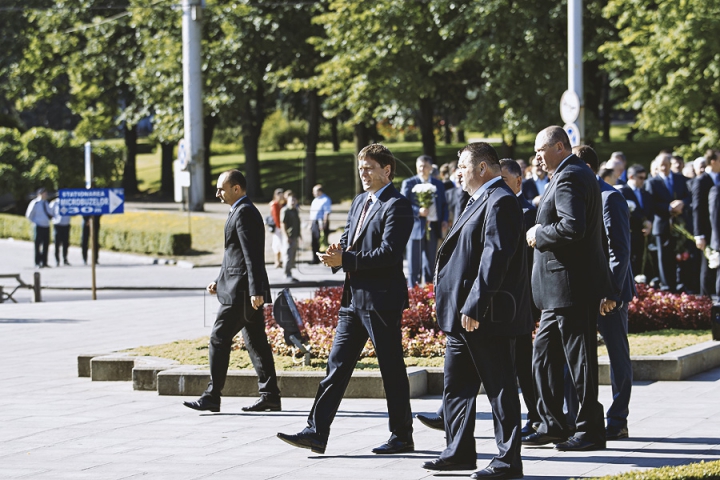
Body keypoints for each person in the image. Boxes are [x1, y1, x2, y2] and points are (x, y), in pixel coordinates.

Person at [277, 144, 414, 455]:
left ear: (386, 170)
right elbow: (348, 237)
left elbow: (389, 253)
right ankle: (316, 432)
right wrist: (334, 252)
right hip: (353, 299)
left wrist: (347, 259)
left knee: (391, 368)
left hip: (381, 300)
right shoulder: (358, 202)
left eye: (369, 168)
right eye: (360, 168)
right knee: (336, 366)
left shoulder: (398, 205)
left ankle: (402, 436)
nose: (363, 174)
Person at [422, 144, 530, 479]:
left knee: (500, 388)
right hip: (461, 317)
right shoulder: (478, 198)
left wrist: (475, 304)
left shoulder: (501, 201)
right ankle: (458, 452)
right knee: (456, 386)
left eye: (462, 166)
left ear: (483, 168)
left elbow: (495, 257)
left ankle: (508, 461)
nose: (457, 171)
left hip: (486, 315)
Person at [523, 126, 614, 452]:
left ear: (560, 147)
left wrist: (539, 233)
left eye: (540, 150)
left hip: (570, 287)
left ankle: (589, 430)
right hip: (559, 290)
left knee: (580, 361)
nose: (536, 157)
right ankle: (552, 425)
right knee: (543, 356)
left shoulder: (569, 176)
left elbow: (572, 227)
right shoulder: (573, 173)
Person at [183, 169, 281, 414]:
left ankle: (212, 396)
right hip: (239, 288)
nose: (217, 193)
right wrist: (219, 279)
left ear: (236, 188)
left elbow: (252, 254)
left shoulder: (245, 211)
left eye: (221, 188)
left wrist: (256, 290)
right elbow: (233, 254)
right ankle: (270, 396)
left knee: (218, 338)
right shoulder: (239, 210)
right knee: (256, 342)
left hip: (243, 292)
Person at [575, 145, 635, 441]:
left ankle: (618, 419)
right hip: (585, 293)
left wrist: (611, 292)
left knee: (617, 356)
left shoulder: (609, 197)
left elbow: (619, 250)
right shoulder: (579, 197)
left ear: (585, 166)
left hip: (610, 293)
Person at [644, 153, 691, 292]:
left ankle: (682, 285)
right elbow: (651, 204)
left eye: (666, 165)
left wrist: (682, 204)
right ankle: (667, 288)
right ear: (657, 167)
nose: (664, 168)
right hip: (662, 225)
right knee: (664, 258)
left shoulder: (680, 179)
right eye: (661, 165)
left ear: (670, 165)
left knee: (682, 255)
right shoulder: (652, 182)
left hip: (680, 224)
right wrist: (669, 207)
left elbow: (689, 196)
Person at [401, 154, 448, 286]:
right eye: (420, 166)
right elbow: (403, 206)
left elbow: (444, 205)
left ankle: (428, 293)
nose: (422, 169)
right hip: (415, 228)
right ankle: (413, 294)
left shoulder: (438, 184)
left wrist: (444, 220)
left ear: (430, 168)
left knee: (430, 264)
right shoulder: (409, 183)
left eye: (425, 166)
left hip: (433, 227)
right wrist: (418, 211)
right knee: (414, 264)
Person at [618, 165, 654, 278]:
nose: (643, 181)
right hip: (630, 232)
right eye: (640, 178)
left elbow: (650, 210)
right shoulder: (623, 192)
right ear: (631, 176)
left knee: (641, 260)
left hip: (642, 233)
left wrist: (649, 223)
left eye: (644, 177)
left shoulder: (645, 193)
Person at [693, 150, 720, 297]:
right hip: (706, 229)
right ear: (713, 161)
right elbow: (697, 208)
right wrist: (699, 234)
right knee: (707, 265)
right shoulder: (701, 180)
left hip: (717, 228)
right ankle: (705, 300)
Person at [25, 187, 53, 268]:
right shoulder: (35, 203)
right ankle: (37, 262)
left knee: (46, 244)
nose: (46, 195)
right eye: (44, 193)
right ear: (40, 194)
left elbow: (49, 213)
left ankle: (44, 262)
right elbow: (29, 215)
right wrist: (35, 222)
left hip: (46, 226)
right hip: (38, 226)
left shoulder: (46, 203)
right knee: (38, 245)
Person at [280, 191, 301, 282]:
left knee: (293, 256)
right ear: (287, 201)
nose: (293, 202)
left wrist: (300, 235)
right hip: (289, 236)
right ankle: (286, 274)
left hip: (295, 236)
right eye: (291, 200)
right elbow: (282, 224)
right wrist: (286, 236)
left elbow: (297, 223)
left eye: (294, 200)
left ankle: (290, 274)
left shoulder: (295, 210)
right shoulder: (285, 210)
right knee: (287, 256)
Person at [309, 184, 332, 264]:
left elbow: (326, 212)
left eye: (314, 191)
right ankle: (315, 259)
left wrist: (324, 223)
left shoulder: (325, 199)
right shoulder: (315, 200)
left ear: (319, 191)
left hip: (321, 222)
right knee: (314, 241)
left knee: (322, 241)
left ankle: (324, 259)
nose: (313, 193)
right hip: (314, 222)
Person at [49, 194, 71, 266]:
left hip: (66, 225)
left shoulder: (68, 202)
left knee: (66, 243)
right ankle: (57, 260)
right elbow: (50, 213)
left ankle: (65, 258)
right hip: (57, 225)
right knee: (57, 243)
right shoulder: (54, 203)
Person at [269, 188, 286, 269]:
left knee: (281, 244)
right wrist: (280, 227)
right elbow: (276, 217)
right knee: (277, 244)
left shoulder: (282, 204)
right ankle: (277, 261)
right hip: (277, 228)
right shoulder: (274, 204)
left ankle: (280, 261)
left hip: (281, 227)